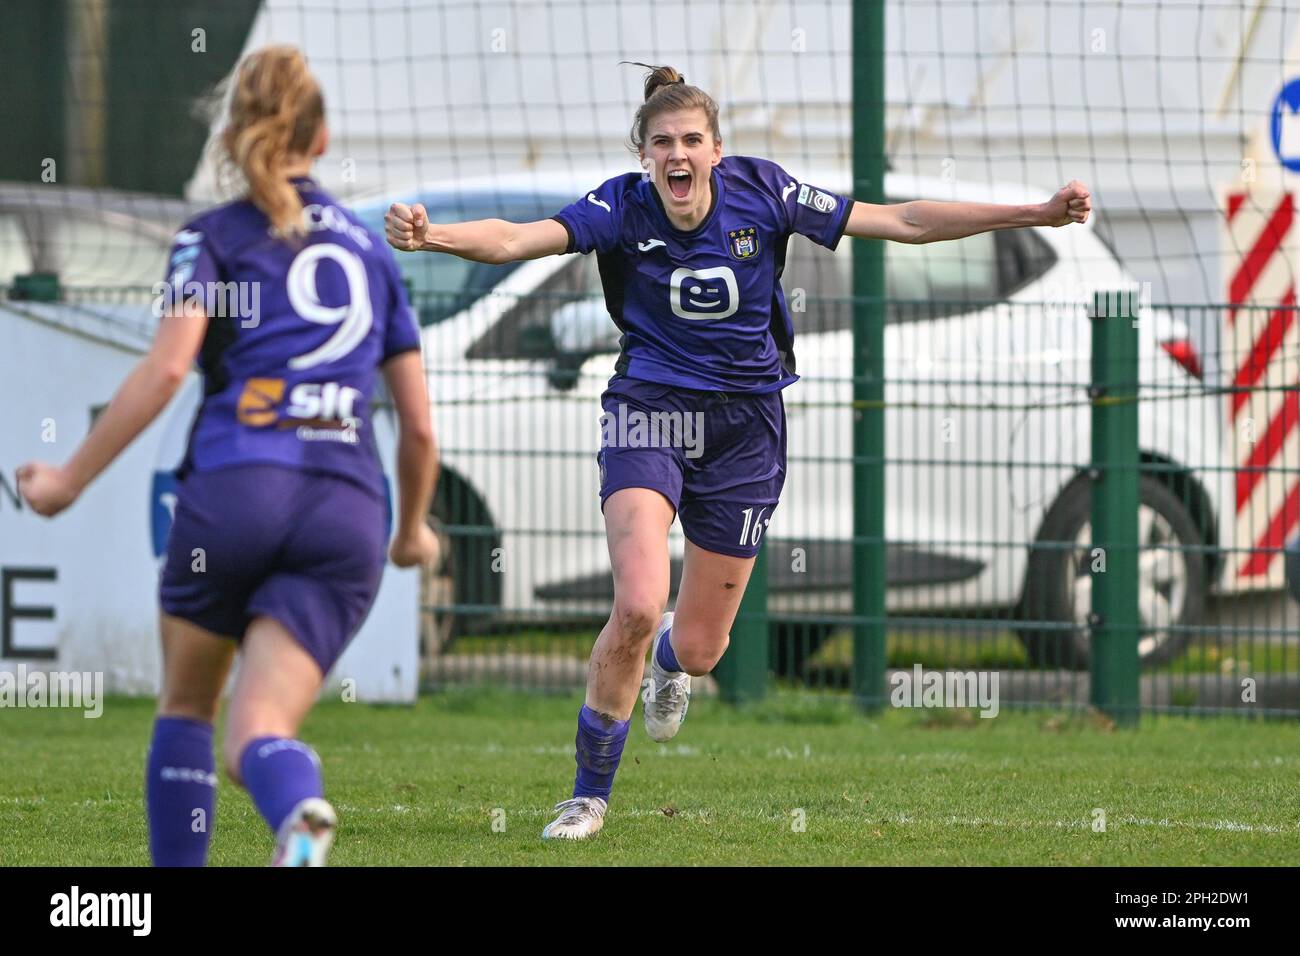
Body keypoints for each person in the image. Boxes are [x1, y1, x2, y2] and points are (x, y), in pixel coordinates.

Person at [384, 63, 1090, 840]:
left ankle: (670, 671)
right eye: (662, 143)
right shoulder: (620, 206)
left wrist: (1034, 212)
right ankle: (587, 797)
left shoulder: (766, 193)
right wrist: (435, 236)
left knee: (698, 645)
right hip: (648, 414)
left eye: (692, 139)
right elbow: (521, 237)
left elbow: (903, 221)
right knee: (638, 602)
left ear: (717, 149)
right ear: (645, 154)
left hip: (745, 428)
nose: (677, 155)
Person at [18, 45, 439, 866]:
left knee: (186, 710)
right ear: (321, 141)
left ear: (233, 134)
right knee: (258, 733)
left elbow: (169, 367)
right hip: (346, 509)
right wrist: (412, 532)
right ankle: (298, 813)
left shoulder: (211, 235)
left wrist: (68, 479)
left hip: (237, 491)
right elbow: (420, 429)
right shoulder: (370, 250)